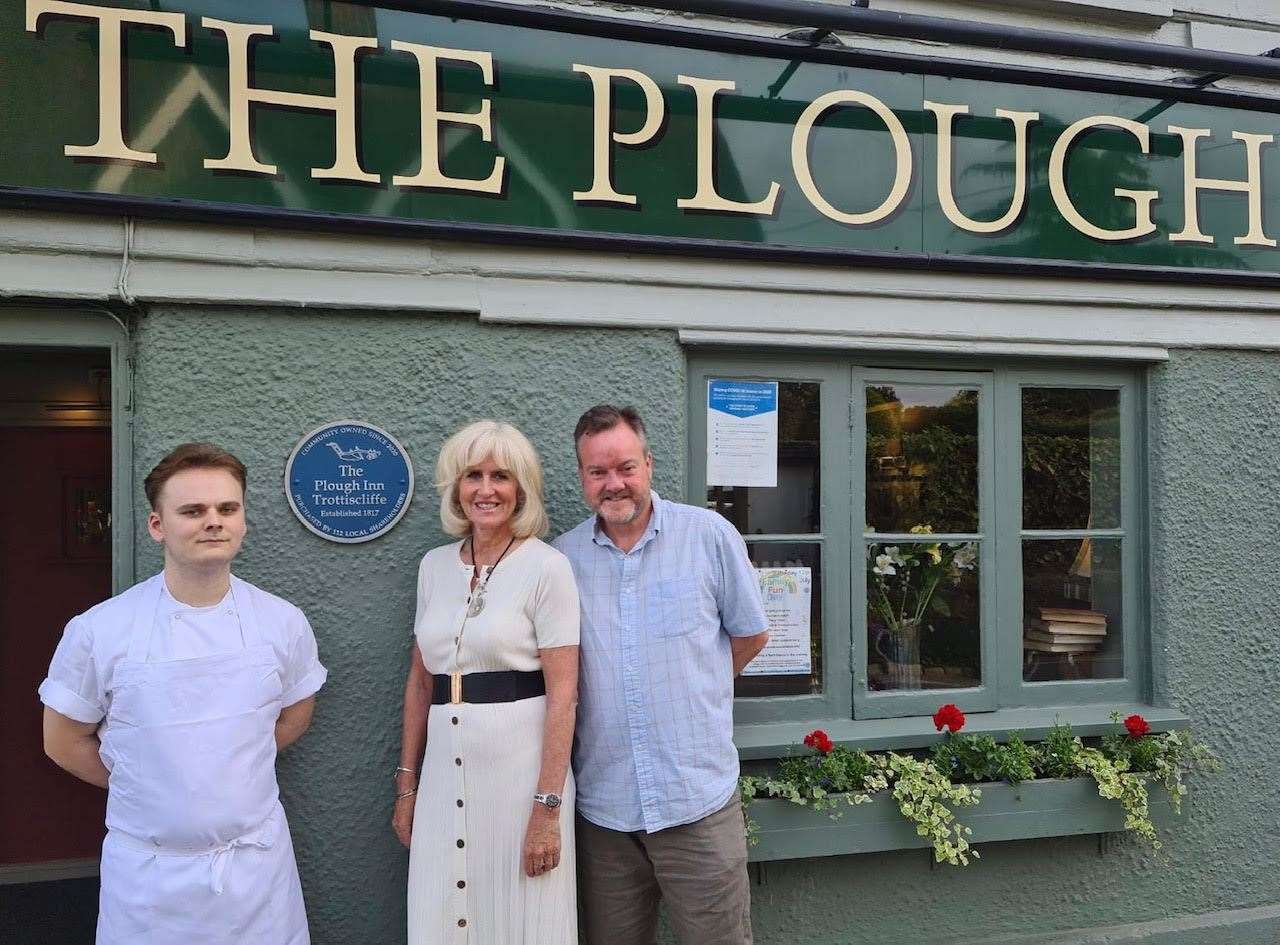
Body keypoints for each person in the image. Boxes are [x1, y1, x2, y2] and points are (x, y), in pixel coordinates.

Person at [39, 442, 327, 945]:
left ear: (242, 521)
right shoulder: (100, 630)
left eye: (227, 509)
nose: (212, 521)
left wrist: (224, 771)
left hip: (255, 872)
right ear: (158, 525)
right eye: (192, 510)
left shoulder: (282, 622)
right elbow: (62, 742)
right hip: (148, 880)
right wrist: (147, 782)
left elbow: (295, 715)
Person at [554, 404, 770, 945]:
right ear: (581, 477)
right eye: (598, 472)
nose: (614, 484)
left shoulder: (708, 536)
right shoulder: (562, 560)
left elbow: (751, 635)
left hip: (696, 804)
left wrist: (701, 691)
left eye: (625, 467)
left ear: (649, 464)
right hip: (606, 815)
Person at [395, 419, 580, 945]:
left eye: (501, 476)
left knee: (524, 917)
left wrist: (547, 809)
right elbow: (418, 680)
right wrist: (407, 785)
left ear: (520, 489)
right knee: (441, 912)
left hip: (521, 779)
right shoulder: (432, 567)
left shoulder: (548, 568)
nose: (486, 489)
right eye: (472, 475)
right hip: (442, 775)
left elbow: (564, 695)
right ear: (456, 487)